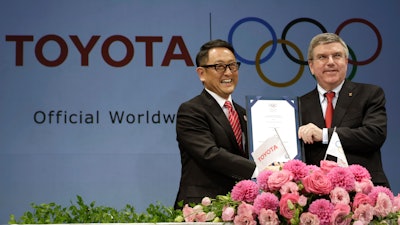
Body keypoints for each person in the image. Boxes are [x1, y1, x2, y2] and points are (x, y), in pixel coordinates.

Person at [298, 33, 390, 187]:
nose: (331, 62)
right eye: (322, 57)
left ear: (346, 62)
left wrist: (325, 135)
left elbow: (375, 134)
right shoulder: (298, 105)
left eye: (337, 56)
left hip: (365, 191)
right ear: (311, 66)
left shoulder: (370, 94)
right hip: (315, 198)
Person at [174, 39, 256, 208]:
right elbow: (210, 154)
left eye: (232, 66)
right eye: (219, 66)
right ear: (201, 73)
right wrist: (258, 170)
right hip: (203, 208)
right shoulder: (191, 110)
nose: (228, 73)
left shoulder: (245, 113)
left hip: (241, 208)